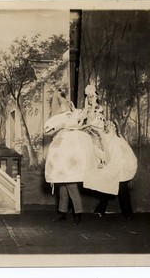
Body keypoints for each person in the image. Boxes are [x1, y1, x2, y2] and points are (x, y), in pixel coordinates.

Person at [48, 87, 84, 226]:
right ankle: (62, 212)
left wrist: (69, 125)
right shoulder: (58, 115)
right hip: (60, 147)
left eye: (62, 97)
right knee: (61, 182)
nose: (61, 100)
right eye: (59, 98)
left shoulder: (72, 112)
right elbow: (51, 129)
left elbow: (77, 125)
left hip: (70, 148)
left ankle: (78, 213)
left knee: (70, 181)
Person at [82, 84, 109, 167]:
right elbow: (83, 118)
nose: (90, 99)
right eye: (88, 97)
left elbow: (96, 121)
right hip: (88, 128)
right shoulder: (88, 108)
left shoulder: (99, 108)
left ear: (95, 97)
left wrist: (93, 106)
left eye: (91, 97)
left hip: (98, 129)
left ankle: (102, 160)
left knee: (96, 137)